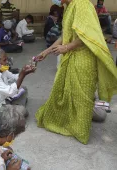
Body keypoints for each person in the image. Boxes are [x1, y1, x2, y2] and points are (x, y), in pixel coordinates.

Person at [36, 0, 117, 144]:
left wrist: (67, 47)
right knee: (68, 93)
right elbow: (64, 35)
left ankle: (81, 131)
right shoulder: (69, 7)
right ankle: (70, 122)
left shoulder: (82, 4)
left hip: (83, 59)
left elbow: (87, 35)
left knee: (82, 97)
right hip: (71, 56)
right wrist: (46, 51)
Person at [0, 48, 35, 119]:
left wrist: (25, 72)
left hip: (4, 99)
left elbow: (14, 77)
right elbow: (10, 91)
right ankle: (16, 109)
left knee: (23, 89)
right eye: (4, 60)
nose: (7, 62)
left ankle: (14, 108)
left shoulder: (1, 69)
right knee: (23, 111)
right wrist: (22, 75)